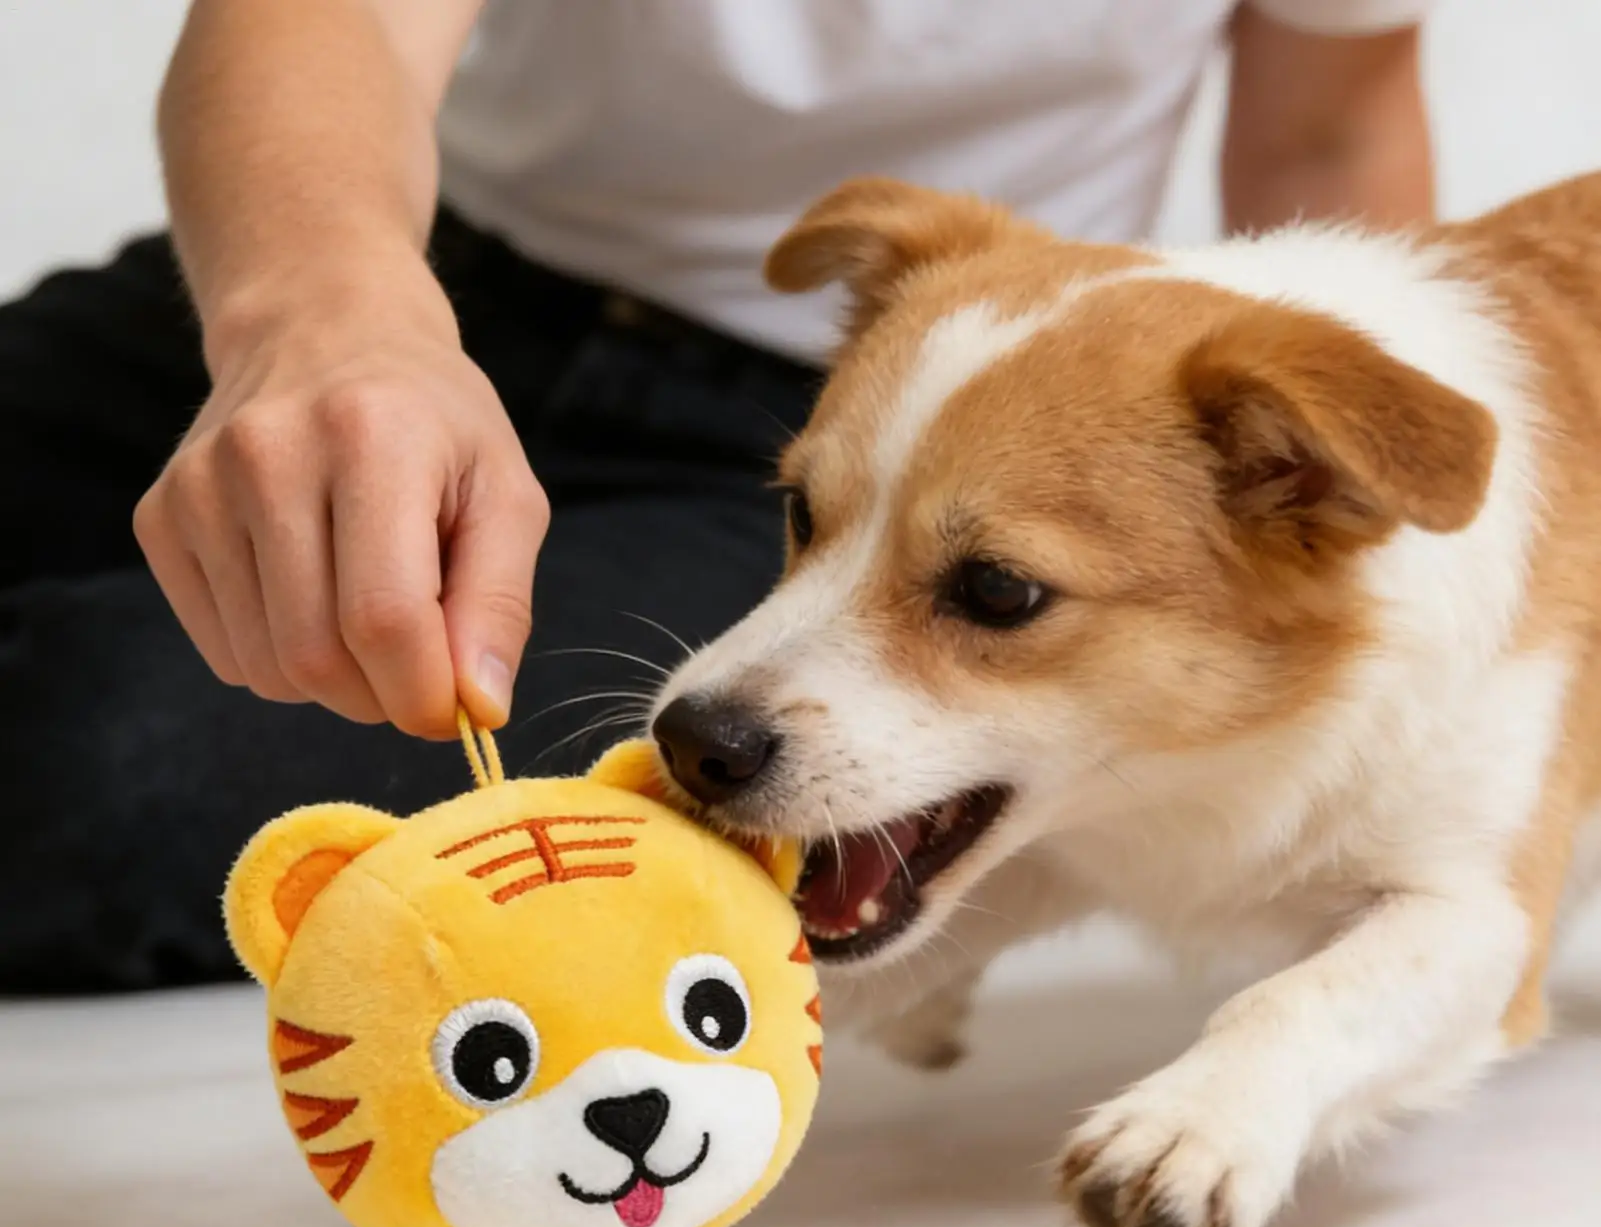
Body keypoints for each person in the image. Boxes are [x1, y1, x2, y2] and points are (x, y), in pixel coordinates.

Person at [0, 0, 1435, 993]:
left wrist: (1358, 543)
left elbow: (1326, 144)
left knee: (85, 755)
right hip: (425, 287)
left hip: (835, 430)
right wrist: (319, 320)